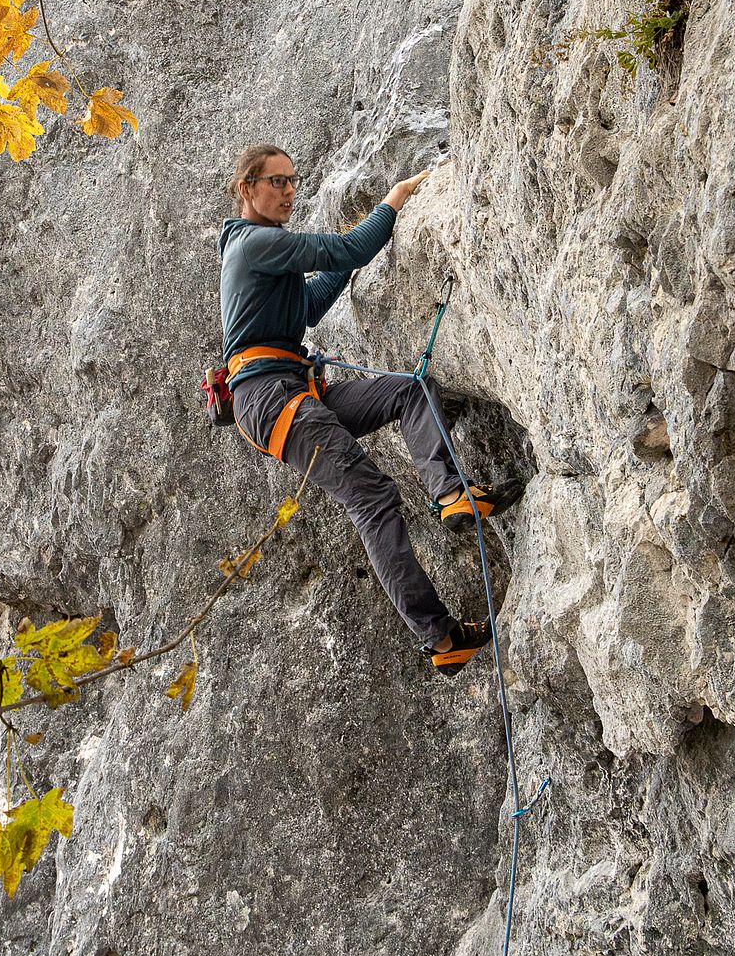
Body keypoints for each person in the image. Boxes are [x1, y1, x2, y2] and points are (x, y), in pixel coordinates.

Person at [217, 144, 524, 674]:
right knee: (373, 497)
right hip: (272, 398)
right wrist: (393, 202)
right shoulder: (254, 243)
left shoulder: (264, 249)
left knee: (410, 390)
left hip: (290, 389)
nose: (289, 190)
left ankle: (452, 494)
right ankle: (439, 637)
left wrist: (357, 253)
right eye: (276, 182)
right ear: (247, 189)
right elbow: (348, 250)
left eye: (293, 180)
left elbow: (309, 307)